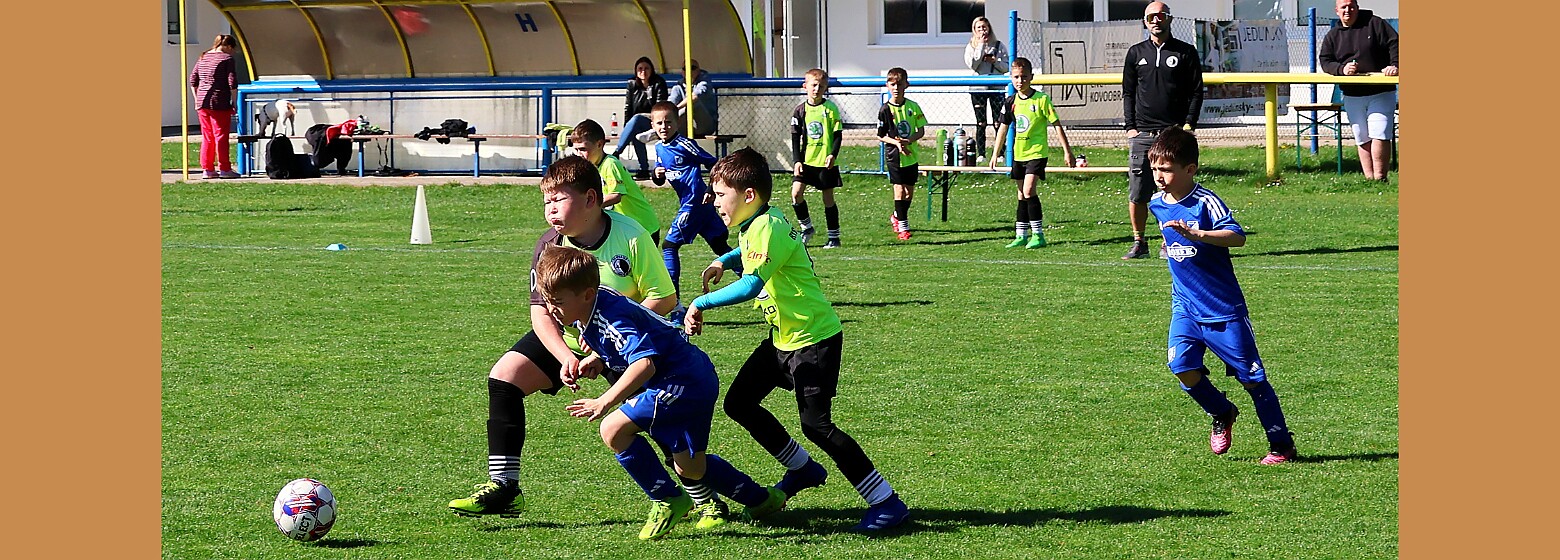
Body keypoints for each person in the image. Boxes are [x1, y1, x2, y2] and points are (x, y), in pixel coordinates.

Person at [447, 156, 694, 519]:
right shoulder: (549, 245)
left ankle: (703, 495)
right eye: (546, 200)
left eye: (558, 199)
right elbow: (540, 311)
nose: (550, 209)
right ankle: (505, 488)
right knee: (504, 378)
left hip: (625, 345)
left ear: (591, 199)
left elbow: (663, 298)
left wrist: (607, 344)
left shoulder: (632, 236)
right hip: (570, 340)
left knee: (662, 423)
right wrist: (565, 356)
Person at [684, 148, 910, 532]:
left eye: (721, 194)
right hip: (783, 340)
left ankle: (887, 502)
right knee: (739, 403)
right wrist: (726, 259)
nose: (715, 201)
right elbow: (754, 251)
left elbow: (751, 285)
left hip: (813, 341)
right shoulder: (760, 221)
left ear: (748, 195)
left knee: (817, 426)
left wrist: (700, 303)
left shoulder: (767, 226)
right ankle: (802, 469)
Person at [534, 246, 788, 540]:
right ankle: (761, 500)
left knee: (612, 429)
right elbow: (638, 334)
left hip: (678, 382)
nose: (551, 309)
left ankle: (667, 499)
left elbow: (644, 364)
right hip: (694, 376)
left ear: (587, 294)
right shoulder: (595, 304)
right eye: (547, 300)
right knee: (691, 468)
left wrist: (604, 401)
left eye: (557, 302)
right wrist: (598, 358)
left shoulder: (608, 316)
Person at [1145, 127, 1297, 465]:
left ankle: (1282, 446)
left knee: (1252, 380)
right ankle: (1221, 411)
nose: (1158, 176)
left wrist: (1197, 234)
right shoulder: (1157, 204)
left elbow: (1237, 236)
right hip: (1185, 306)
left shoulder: (1205, 202)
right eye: (1154, 168)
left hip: (1223, 310)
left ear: (1190, 169)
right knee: (1181, 366)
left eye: (1166, 169)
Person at [1121, 1, 1203, 260]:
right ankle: (1139, 242)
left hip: (1172, 133)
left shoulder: (1185, 51)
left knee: (1172, 190)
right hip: (1143, 134)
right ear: (1145, 21)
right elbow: (1128, 92)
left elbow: (1196, 91)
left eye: (1161, 15)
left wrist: (1188, 125)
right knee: (1138, 192)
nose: (1156, 20)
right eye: (1151, 17)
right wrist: (1131, 128)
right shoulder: (1136, 53)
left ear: (1169, 19)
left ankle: (1170, 242)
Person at [648, 101, 733, 314]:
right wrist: (655, 175)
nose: (664, 126)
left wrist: (711, 188)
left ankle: (675, 306)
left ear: (677, 123)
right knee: (719, 245)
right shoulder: (659, 148)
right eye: (659, 123)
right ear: (653, 125)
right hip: (699, 206)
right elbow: (660, 177)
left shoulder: (684, 144)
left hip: (694, 203)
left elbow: (715, 164)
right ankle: (759, 284)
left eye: (668, 122)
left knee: (669, 246)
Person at [986, 57, 1074, 249]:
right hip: (1019, 154)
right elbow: (1002, 128)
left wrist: (1067, 152)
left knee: (1028, 191)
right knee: (1021, 195)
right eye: (1016, 77)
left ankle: (1038, 235)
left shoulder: (1041, 99)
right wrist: (995, 154)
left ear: (1031, 77)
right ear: (1011, 78)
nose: (1020, 81)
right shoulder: (1011, 101)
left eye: (1024, 77)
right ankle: (1021, 235)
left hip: (1037, 153)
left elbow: (1057, 125)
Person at [1318, 0, 1399, 182]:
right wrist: (1342, 69)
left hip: (1381, 91)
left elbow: (1395, 43)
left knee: (1380, 132)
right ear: (1337, 10)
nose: (1348, 10)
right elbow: (1325, 61)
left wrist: (1395, 65)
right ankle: (1369, 180)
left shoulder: (1375, 24)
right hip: (1352, 94)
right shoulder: (1333, 35)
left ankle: (1381, 178)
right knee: (1362, 136)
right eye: (1344, 7)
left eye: (1351, 6)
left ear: (1357, 8)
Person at [570, 119, 661, 244]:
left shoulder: (610, 164)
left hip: (643, 228)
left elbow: (615, 196)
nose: (579, 154)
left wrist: (588, 207)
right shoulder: (594, 167)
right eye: (576, 150)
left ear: (599, 144)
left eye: (583, 149)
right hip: (628, 230)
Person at [789, 68, 846, 249]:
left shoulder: (830, 109)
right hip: (806, 162)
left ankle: (834, 238)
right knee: (796, 194)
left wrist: (832, 154)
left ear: (825, 88)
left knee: (828, 199)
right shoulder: (800, 111)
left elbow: (837, 135)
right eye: (813, 85)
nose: (816, 89)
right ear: (805, 86)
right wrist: (797, 161)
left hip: (825, 163)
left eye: (821, 86)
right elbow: (795, 137)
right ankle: (807, 228)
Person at [876, 67, 928, 241]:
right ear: (887, 86)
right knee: (899, 191)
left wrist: (909, 140)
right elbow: (881, 135)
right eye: (892, 84)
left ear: (907, 85)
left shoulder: (913, 107)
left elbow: (921, 131)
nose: (896, 88)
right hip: (894, 156)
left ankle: (897, 216)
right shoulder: (885, 110)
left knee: (909, 193)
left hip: (910, 155)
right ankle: (903, 228)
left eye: (899, 84)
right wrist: (896, 142)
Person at [188, 34, 240, 179]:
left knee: (207, 136)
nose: (232, 52)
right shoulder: (227, 59)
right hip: (219, 101)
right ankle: (225, 169)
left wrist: (197, 99)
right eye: (232, 49)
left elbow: (193, 80)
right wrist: (234, 102)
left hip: (202, 101)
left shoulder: (203, 57)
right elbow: (232, 82)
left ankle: (207, 169)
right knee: (221, 136)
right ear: (228, 46)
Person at [613, 57, 670, 179]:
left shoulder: (659, 83)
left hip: (656, 120)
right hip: (638, 122)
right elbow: (628, 107)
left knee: (637, 119)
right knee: (635, 129)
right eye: (640, 69)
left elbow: (660, 108)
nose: (643, 71)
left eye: (646, 68)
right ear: (636, 71)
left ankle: (617, 153)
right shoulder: (632, 84)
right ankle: (644, 169)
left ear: (652, 70)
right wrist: (627, 127)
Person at [964, 16, 1010, 160]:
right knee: (981, 123)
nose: (982, 30)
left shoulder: (998, 45)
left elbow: (1006, 67)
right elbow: (973, 64)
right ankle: (981, 154)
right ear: (974, 30)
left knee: (998, 122)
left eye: (984, 27)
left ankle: (1000, 153)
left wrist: (994, 61)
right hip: (978, 89)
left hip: (996, 88)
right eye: (979, 27)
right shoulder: (971, 46)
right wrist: (981, 46)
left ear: (989, 28)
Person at [668, 59, 719, 138]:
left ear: (698, 70)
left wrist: (676, 108)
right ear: (682, 72)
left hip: (706, 126)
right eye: (685, 68)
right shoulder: (678, 86)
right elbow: (670, 104)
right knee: (669, 111)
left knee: (693, 104)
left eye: (692, 68)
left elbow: (694, 97)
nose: (689, 71)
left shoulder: (704, 82)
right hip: (685, 127)